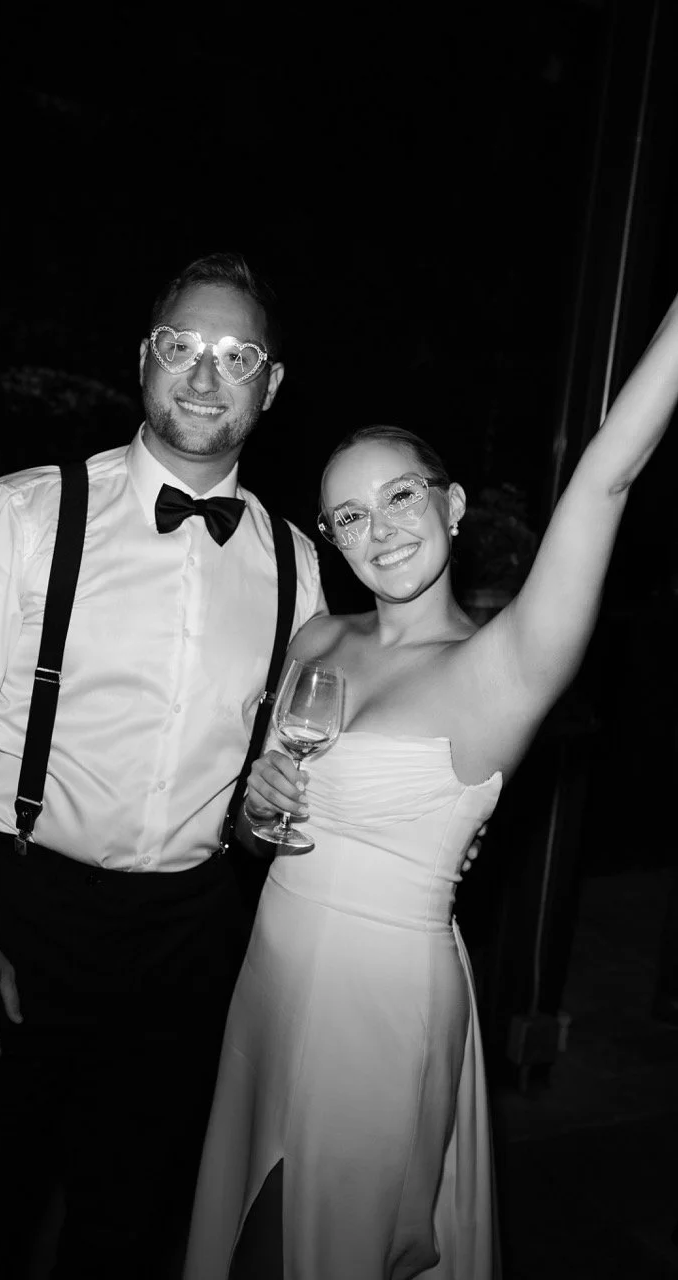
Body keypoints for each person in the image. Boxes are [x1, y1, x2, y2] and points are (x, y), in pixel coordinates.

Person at [182, 285, 678, 1280]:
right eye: (348, 516)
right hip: (271, 974)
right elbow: (255, 826)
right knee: (243, 1230)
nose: (379, 531)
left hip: (378, 1002)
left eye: (401, 495)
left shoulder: (502, 667)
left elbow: (607, 475)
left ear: (450, 503)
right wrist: (254, 812)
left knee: (321, 1247)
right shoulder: (320, 633)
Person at [0, 251, 327, 1280]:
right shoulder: (23, 512)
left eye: (237, 353)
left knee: (127, 1228)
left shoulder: (297, 562)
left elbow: (277, 768)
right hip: (25, 912)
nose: (204, 374)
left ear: (271, 385)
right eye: (181, 345)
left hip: (189, 939)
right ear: (143, 359)